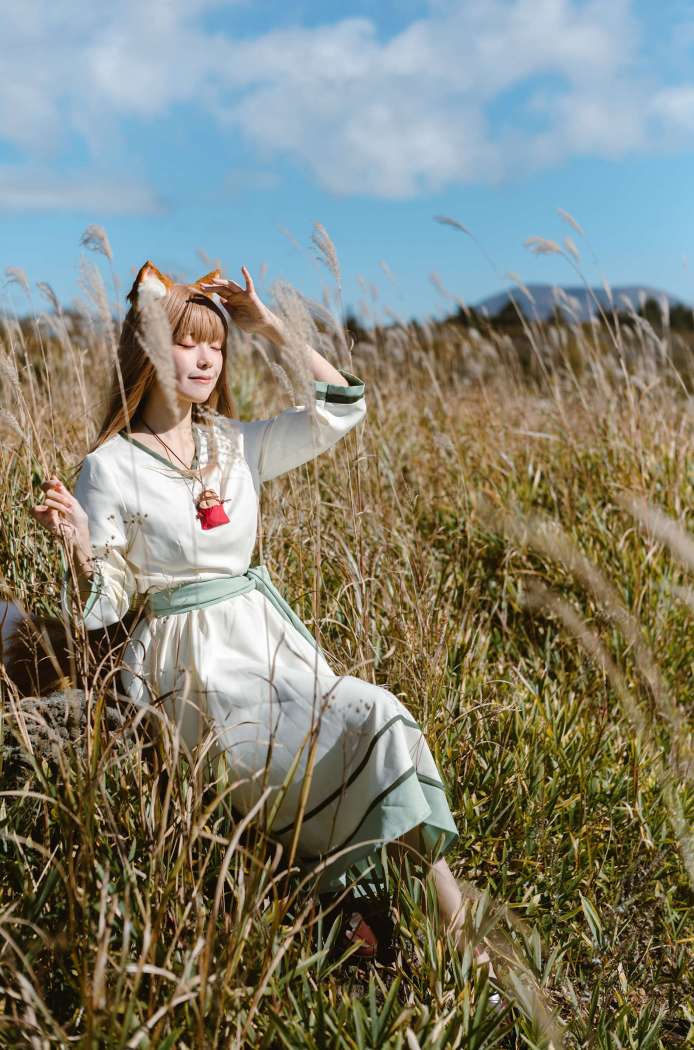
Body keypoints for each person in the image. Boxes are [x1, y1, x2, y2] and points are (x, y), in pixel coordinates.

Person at [29, 260, 496, 978]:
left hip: (272, 647)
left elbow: (341, 406)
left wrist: (271, 327)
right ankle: (369, 916)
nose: (205, 358)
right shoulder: (110, 465)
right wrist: (79, 546)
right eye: (186, 341)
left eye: (216, 344)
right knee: (322, 749)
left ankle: (461, 948)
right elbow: (110, 601)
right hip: (189, 672)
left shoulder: (233, 444)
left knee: (378, 716)